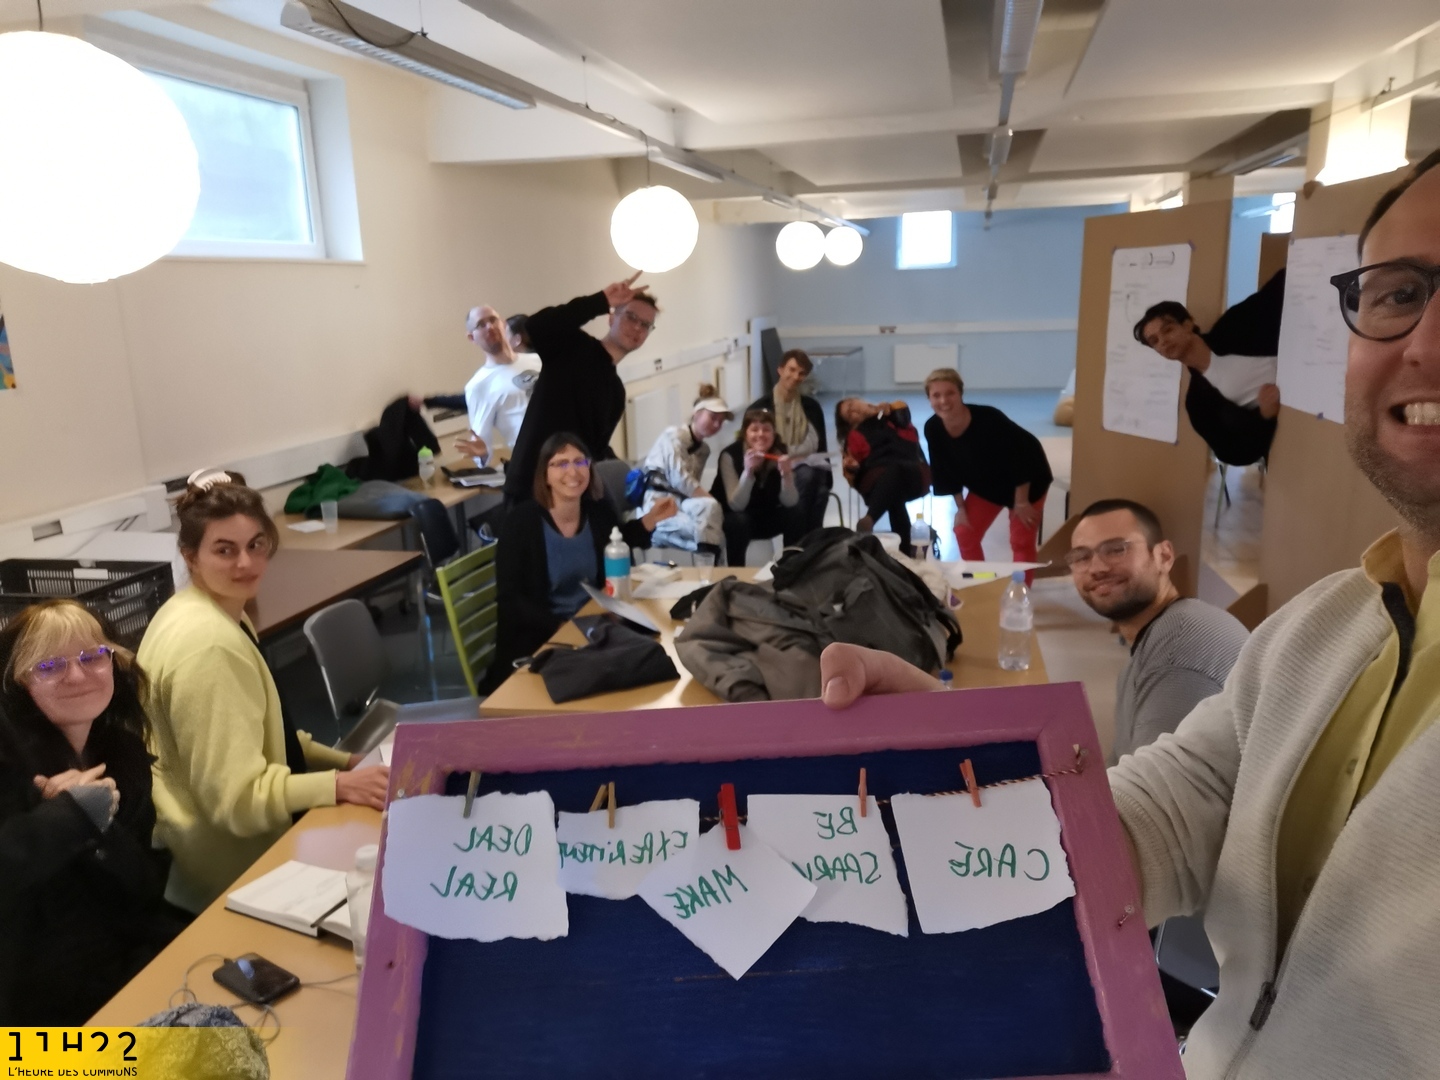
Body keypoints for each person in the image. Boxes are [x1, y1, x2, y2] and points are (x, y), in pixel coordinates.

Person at [821, 150, 1440, 1080]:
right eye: (1400, 293)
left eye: (1115, 551)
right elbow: (1171, 814)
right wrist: (968, 780)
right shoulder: (1322, 628)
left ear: (1166, 559)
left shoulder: (1199, 644)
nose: (1427, 343)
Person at [137, 470, 391, 913]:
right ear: (190, 556)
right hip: (228, 882)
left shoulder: (205, 611)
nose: (245, 563)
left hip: (217, 861)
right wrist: (337, 785)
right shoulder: (209, 647)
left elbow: (268, 737)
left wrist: (345, 763)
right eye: (225, 550)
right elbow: (238, 800)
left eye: (256, 545)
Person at [0, 600, 180, 1025]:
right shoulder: (11, 771)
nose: (78, 675)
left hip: (121, 965)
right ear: (20, 683)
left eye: (93, 656)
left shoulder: (123, 754)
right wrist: (67, 818)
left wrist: (94, 820)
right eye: (49, 666)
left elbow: (142, 887)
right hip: (36, 1007)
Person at [1064, 498, 1248, 765]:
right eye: (1082, 557)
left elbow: (1156, 788)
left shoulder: (1178, 651)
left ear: (1164, 556)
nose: (1097, 568)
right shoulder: (1161, 635)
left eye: (1116, 550)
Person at [492, 434, 677, 685]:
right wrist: (562, 627)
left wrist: (651, 519)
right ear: (545, 475)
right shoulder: (521, 523)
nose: (573, 471)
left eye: (580, 462)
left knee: (655, 654)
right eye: (561, 463)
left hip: (591, 625)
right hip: (540, 640)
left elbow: (617, 540)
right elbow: (511, 600)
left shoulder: (597, 512)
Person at [503, 274, 658, 504]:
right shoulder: (573, 346)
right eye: (631, 317)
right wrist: (600, 300)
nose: (637, 327)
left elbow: (594, 450)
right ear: (611, 317)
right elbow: (537, 326)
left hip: (569, 495)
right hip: (529, 486)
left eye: (645, 325)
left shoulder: (616, 392)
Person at [1134, 269, 1285, 467]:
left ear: (1187, 325)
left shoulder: (1233, 325)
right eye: (1154, 341)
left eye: (1168, 330)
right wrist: (1265, 416)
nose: (1163, 341)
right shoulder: (1198, 404)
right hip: (1301, 420)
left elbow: (1281, 287)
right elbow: (1233, 454)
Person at [924, 368, 1053, 567]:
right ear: (929, 399)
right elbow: (944, 470)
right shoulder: (933, 428)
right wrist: (961, 508)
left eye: (950, 393)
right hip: (988, 484)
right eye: (936, 395)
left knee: (1021, 540)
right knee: (964, 531)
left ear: (960, 394)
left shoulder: (989, 419)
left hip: (1027, 480)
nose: (944, 401)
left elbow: (1021, 457)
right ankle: (980, 580)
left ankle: (1020, 585)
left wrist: (1020, 503)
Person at [748, 349, 831, 537]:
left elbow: (817, 444)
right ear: (780, 370)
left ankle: (803, 545)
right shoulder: (759, 408)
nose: (795, 377)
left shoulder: (811, 407)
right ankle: (803, 545)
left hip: (806, 466)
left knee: (820, 490)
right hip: (771, 468)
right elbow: (755, 445)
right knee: (812, 484)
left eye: (801, 373)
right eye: (791, 370)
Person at [640, 385, 730, 556]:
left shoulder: (704, 450)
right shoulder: (674, 436)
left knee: (710, 511)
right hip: (658, 500)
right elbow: (680, 480)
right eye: (713, 418)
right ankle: (708, 561)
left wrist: (713, 506)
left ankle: (711, 558)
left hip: (681, 501)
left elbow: (693, 488)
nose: (716, 424)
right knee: (704, 531)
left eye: (721, 421)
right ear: (697, 414)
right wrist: (714, 504)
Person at [835, 397, 929, 556]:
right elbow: (852, 476)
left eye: (852, 405)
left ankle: (870, 518)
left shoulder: (891, 415)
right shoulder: (854, 436)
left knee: (895, 475)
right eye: (849, 414)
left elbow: (911, 436)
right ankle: (906, 553)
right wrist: (853, 467)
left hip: (912, 475)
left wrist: (888, 413)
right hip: (877, 481)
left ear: (859, 400)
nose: (854, 410)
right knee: (895, 491)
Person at [451, 305, 541, 465]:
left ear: (503, 324)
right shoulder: (479, 385)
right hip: (533, 461)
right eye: (481, 325)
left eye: (493, 320)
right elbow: (480, 445)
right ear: (472, 337)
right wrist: (483, 453)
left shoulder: (537, 360)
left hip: (572, 449)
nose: (490, 327)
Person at [712, 408, 800, 567]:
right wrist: (748, 472)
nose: (761, 434)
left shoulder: (780, 453)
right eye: (754, 429)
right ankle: (736, 574)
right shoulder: (730, 455)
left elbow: (790, 502)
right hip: (735, 518)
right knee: (739, 521)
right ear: (745, 433)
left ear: (774, 434)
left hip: (765, 516)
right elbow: (736, 505)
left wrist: (786, 475)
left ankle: (790, 568)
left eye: (766, 430)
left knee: (795, 513)